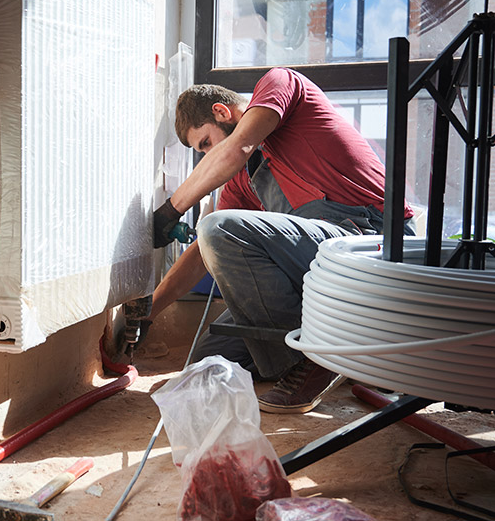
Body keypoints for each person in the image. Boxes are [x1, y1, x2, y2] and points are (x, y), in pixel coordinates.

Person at [137, 67, 414, 414]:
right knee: (209, 358)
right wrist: (148, 313)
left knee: (218, 228)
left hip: (370, 242)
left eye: (205, 144)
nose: (208, 156)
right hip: (320, 266)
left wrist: (171, 210)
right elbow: (201, 254)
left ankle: (319, 354)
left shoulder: (281, 84)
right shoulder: (245, 179)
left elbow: (238, 147)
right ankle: (342, 349)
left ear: (222, 112)